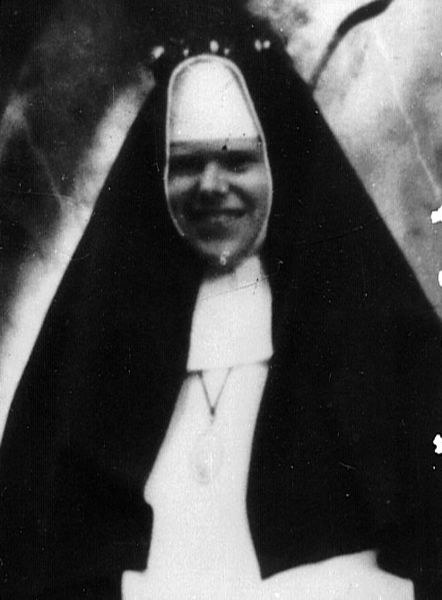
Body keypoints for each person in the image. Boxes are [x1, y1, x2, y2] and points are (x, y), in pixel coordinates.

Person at [1, 1, 442, 598]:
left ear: (278, 166)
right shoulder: (104, 344)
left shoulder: (364, 331)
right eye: (187, 164)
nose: (210, 186)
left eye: (237, 160)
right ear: (158, 175)